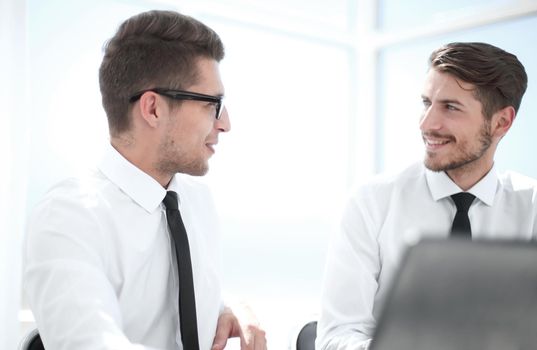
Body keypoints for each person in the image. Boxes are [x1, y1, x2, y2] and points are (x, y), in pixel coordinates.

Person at [23, 10, 266, 350]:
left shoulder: (197, 203)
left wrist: (225, 307)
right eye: (213, 104)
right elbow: (92, 344)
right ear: (153, 109)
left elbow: (169, 290)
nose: (225, 123)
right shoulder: (69, 216)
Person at [316, 42, 537, 350]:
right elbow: (336, 337)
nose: (426, 124)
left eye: (450, 107)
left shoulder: (532, 207)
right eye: (426, 103)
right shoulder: (371, 203)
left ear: (501, 122)